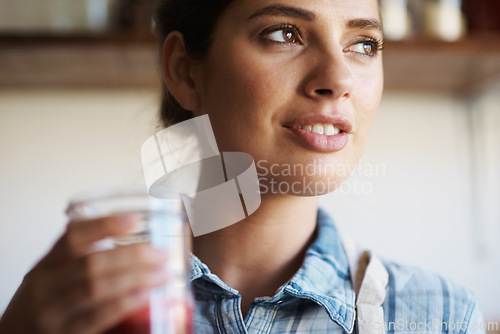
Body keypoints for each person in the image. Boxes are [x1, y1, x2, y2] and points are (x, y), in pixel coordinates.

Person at [0, 0, 486, 333]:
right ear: (185, 70)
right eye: (284, 33)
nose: (338, 79)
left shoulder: (442, 316)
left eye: (364, 44)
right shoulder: (80, 309)